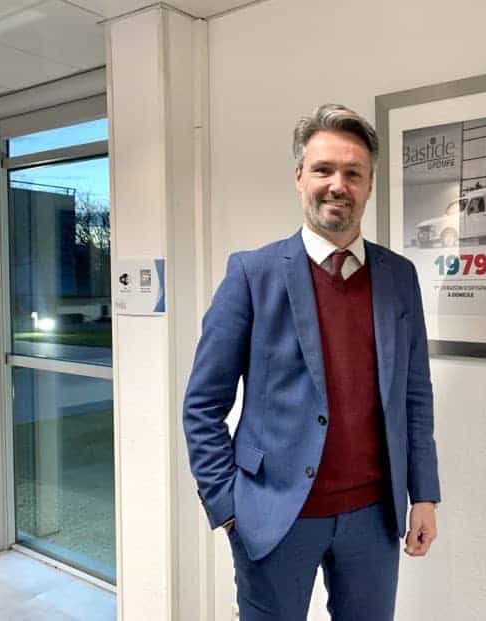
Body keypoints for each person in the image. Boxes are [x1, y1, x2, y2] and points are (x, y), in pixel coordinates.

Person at [183, 103, 441, 621]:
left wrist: (424, 495)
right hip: (274, 516)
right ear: (300, 176)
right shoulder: (252, 274)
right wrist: (228, 507)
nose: (337, 185)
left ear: (370, 185)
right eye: (323, 169)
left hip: (373, 518)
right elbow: (202, 405)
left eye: (353, 173)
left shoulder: (399, 277)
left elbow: (415, 395)